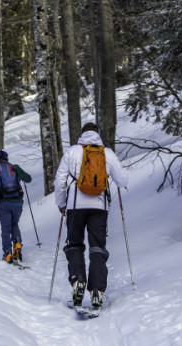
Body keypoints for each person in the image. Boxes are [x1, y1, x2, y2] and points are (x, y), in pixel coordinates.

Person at [55, 122, 127, 309]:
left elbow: (59, 180)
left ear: (82, 134)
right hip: (99, 207)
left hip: (75, 207)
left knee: (75, 245)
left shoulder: (72, 152)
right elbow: (122, 180)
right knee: (97, 247)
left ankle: (78, 281)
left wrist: (62, 204)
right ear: (97, 134)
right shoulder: (106, 153)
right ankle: (97, 290)